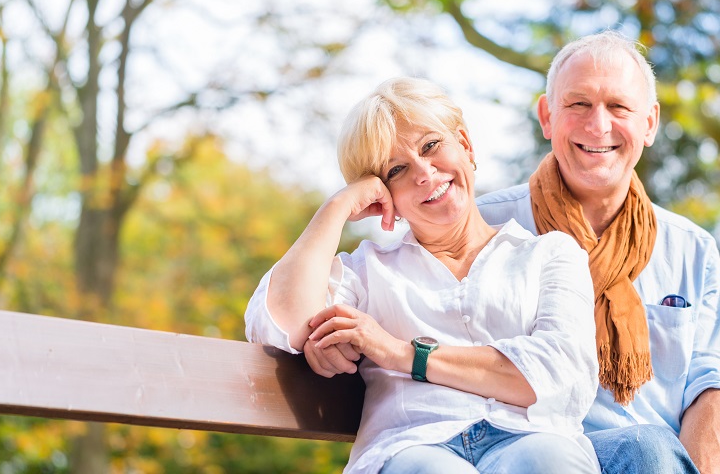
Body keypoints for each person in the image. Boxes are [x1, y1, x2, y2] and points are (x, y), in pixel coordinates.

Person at [245, 77, 601, 474]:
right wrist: (337, 207)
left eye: (431, 145)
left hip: (531, 440)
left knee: (549, 460)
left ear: (465, 145)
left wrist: (398, 352)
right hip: (412, 448)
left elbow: (561, 374)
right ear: (382, 194)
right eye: (396, 169)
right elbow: (279, 325)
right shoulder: (367, 271)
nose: (424, 173)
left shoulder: (550, 254)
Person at [475, 31, 720, 474]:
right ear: (547, 117)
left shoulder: (693, 251)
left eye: (619, 107)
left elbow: (711, 386)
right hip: (537, 455)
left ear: (650, 123)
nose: (598, 125)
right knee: (649, 450)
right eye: (578, 104)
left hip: (668, 463)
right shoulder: (484, 229)